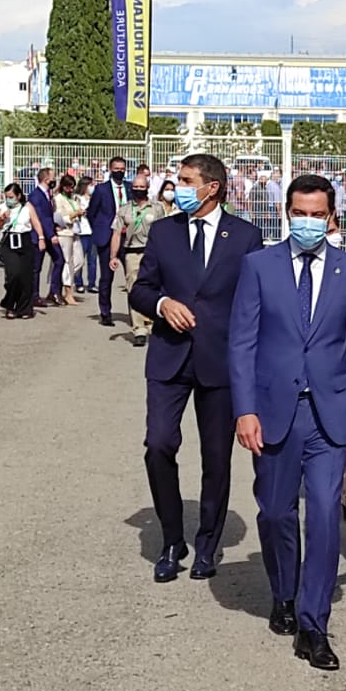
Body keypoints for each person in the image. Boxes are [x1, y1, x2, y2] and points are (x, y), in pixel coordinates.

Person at [231, 175, 346, 672]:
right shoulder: (258, 268)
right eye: (300, 212)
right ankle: (283, 591)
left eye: (317, 213)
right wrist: (244, 409)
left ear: (331, 216)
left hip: (330, 415)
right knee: (273, 513)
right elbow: (242, 343)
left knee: (322, 516)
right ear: (286, 213)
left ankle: (315, 623)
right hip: (274, 413)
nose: (308, 221)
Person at [130, 154, 265, 583]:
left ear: (213, 187)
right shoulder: (163, 232)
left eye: (187, 181)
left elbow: (254, 302)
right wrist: (162, 304)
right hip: (169, 357)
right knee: (159, 444)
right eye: (178, 180)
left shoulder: (245, 236)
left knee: (216, 459)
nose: (178, 188)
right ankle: (173, 541)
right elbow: (142, 288)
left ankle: (208, 543)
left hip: (220, 361)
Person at [110, 180, 160, 347]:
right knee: (134, 289)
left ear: (147, 188)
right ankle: (138, 328)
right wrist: (113, 256)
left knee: (154, 287)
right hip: (132, 253)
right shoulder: (124, 209)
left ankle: (153, 322)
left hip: (152, 252)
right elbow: (117, 233)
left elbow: (166, 231)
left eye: (142, 187)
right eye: (136, 187)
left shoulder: (157, 208)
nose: (139, 190)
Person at [89, 156, 129, 328]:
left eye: (122, 168)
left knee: (133, 277)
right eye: (116, 168)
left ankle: (136, 314)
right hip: (107, 236)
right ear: (110, 169)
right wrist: (100, 229)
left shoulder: (130, 187)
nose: (119, 171)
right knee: (106, 278)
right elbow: (92, 212)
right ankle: (105, 312)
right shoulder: (101, 190)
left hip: (127, 237)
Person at [0, 182, 45, 318]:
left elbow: (36, 223)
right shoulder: (2, 208)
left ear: (18, 195)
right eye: (7, 197)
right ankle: (10, 304)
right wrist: (2, 218)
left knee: (26, 276)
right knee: (14, 275)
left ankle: (25, 308)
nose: (9, 199)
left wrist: (41, 238)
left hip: (24, 240)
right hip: (9, 242)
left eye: (11, 196)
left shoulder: (27, 207)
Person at [30, 168, 64, 307]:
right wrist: (49, 235)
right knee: (36, 267)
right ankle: (34, 296)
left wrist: (54, 226)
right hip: (40, 235)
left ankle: (54, 291)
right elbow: (40, 217)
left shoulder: (47, 194)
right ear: (46, 180)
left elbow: (48, 216)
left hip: (49, 232)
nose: (54, 181)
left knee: (60, 260)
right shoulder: (36, 195)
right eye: (52, 178)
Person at [54, 174, 86, 305]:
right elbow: (59, 217)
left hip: (75, 231)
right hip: (64, 232)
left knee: (79, 260)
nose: (70, 190)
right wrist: (74, 214)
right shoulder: (58, 199)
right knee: (68, 262)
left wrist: (80, 213)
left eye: (72, 187)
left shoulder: (74, 198)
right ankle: (68, 292)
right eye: (68, 187)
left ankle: (60, 283)